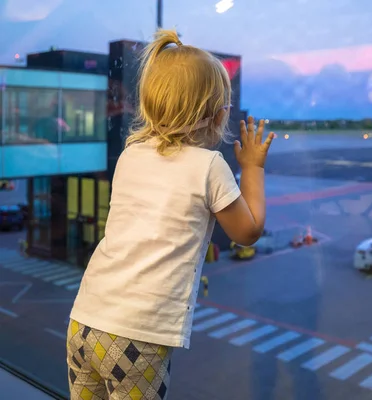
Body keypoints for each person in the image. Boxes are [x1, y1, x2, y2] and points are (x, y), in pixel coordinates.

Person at [65, 29, 274, 400]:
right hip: (137, 335)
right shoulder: (209, 166)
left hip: (84, 320)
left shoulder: (131, 153)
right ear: (214, 115)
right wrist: (253, 168)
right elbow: (248, 232)